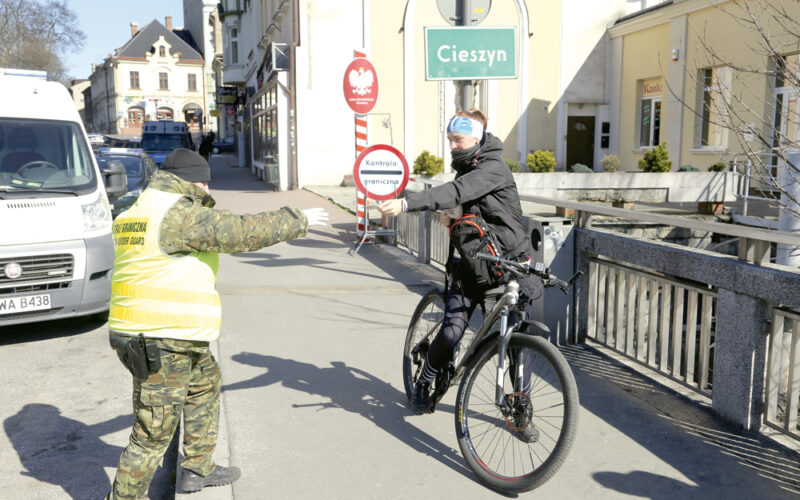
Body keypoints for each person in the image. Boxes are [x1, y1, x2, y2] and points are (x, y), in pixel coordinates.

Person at [105, 148, 328, 499]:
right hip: (162, 339)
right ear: (195, 181)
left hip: (156, 333)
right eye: (206, 183)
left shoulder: (139, 209)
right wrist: (298, 220)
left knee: (205, 384)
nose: (208, 190)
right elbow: (239, 231)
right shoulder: (178, 215)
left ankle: (198, 467)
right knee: (152, 435)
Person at [378, 109, 540, 436]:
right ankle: (425, 379)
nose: (452, 145)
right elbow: (462, 202)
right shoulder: (468, 169)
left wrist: (408, 203)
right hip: (471, 269)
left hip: (508, 267)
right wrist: (451, 216)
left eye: (458, 139)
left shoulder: (492, 169)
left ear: (477, 138)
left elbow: (458, 192)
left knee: (516, 343)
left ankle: (520, 410)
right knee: (452, 332)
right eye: (449, 139)